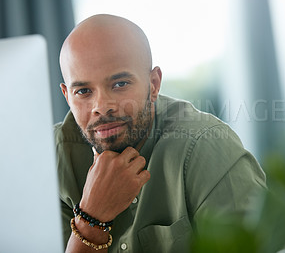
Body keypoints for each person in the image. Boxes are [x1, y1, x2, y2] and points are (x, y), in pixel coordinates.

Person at [55, 14, 266, 253]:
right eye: (83, 91)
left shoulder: (205, 147)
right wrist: (91, 218)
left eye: (120, 84)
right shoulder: (50, 158)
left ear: (153, 84)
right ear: (67, 96)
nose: (101, 107)